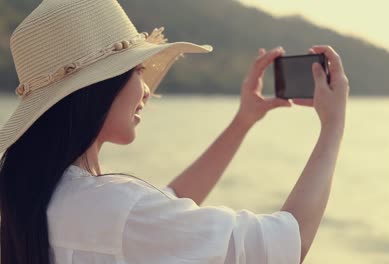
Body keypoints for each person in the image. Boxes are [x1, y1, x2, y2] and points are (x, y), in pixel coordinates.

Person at [0, 0, 349, 263]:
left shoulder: (35, 197)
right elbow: (286, 242)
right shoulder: (119, 209)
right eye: (137, 71)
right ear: (99, 89)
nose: (147, 89)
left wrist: (242, 122)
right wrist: (333, 126)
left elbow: (165, 205)